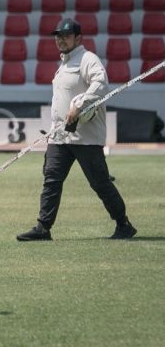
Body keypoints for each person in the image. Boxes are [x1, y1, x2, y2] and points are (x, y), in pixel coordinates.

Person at [17, 18, 137, 241]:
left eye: (66, 35)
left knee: (100, 183)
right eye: (58, 36)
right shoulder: (63, 64)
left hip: (86, 137)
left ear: (78, 38)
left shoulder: (88, 59)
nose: (61, 40)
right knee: (51, 179)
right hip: (60, 136)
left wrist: (79, 106)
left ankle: (124, 224)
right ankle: (43, 228)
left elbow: (101, 85)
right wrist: (54, 128)